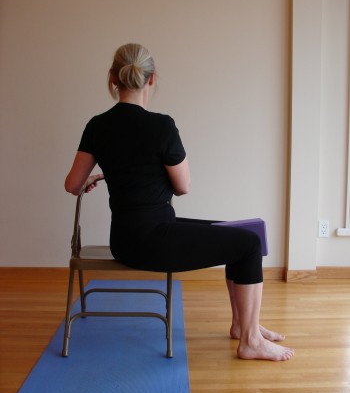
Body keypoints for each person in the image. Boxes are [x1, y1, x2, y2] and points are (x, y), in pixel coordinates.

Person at [65, 43, 294, 361]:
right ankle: (250, 341)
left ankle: (244, 326)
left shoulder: (97, 125)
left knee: (242, 232)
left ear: (113, 78)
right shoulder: (161, 126)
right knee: (249, 243)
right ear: (152, 80)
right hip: (155, 242)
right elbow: (183, 186)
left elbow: (72, 185)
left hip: (125, 240)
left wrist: (103, 175)